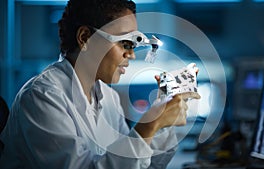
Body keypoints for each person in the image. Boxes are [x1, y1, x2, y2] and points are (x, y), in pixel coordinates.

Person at [0, 0, 198, 168]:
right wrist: (148, 126)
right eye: (125, 43)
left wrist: (160, 122)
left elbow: (145, 164)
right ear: (85, 37)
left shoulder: (107, 96)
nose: (131, 54)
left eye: (134, 45)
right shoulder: (41, 97)